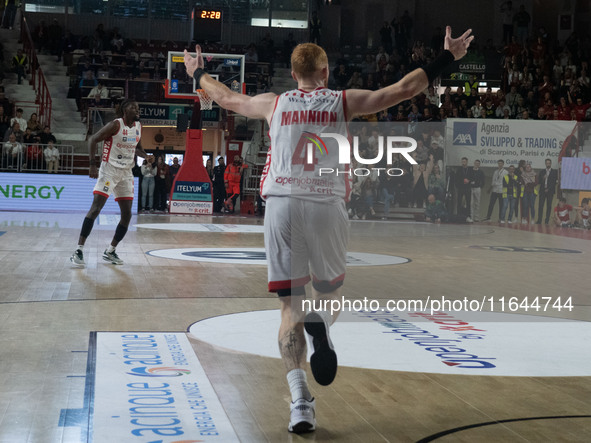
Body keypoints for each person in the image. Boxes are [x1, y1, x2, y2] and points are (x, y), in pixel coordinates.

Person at [183, 25, 473, 433]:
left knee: (288, 308)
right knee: (329, 294)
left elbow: (226, 97)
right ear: (324, 72)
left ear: (293, 72)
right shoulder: (342, 100)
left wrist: (196, 72)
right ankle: (320, 320)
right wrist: (448, 58)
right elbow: (404, 89)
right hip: (325, 205)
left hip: (281, 205)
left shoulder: (274, 103)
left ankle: (300, 401)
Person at [70, 99, 146, 267]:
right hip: (109, 170)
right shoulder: (115, 125)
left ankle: (110, 251)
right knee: (96, 208)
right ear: (126, 111)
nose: (137, 109)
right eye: (134, 107)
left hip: (126, 172)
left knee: (127, 214)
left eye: (138, 107)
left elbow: (137, 149)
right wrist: (92, 164)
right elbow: (93, 140)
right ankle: (79, 249)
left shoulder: (139, 127)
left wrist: (146, 156)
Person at [536, 158, 558, 224]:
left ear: (550, 164)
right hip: (542, 191)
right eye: (547, 163)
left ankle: (546, 220)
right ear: (545, 164)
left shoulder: (554, 172)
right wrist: (543, 178)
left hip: (550, 191)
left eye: (549, 163)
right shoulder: (542, 171)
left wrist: (549, 188)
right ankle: (539, 220)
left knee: (549, 206)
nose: (548, 164)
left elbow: (554, 182)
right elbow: (539, 182)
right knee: (540, 205)